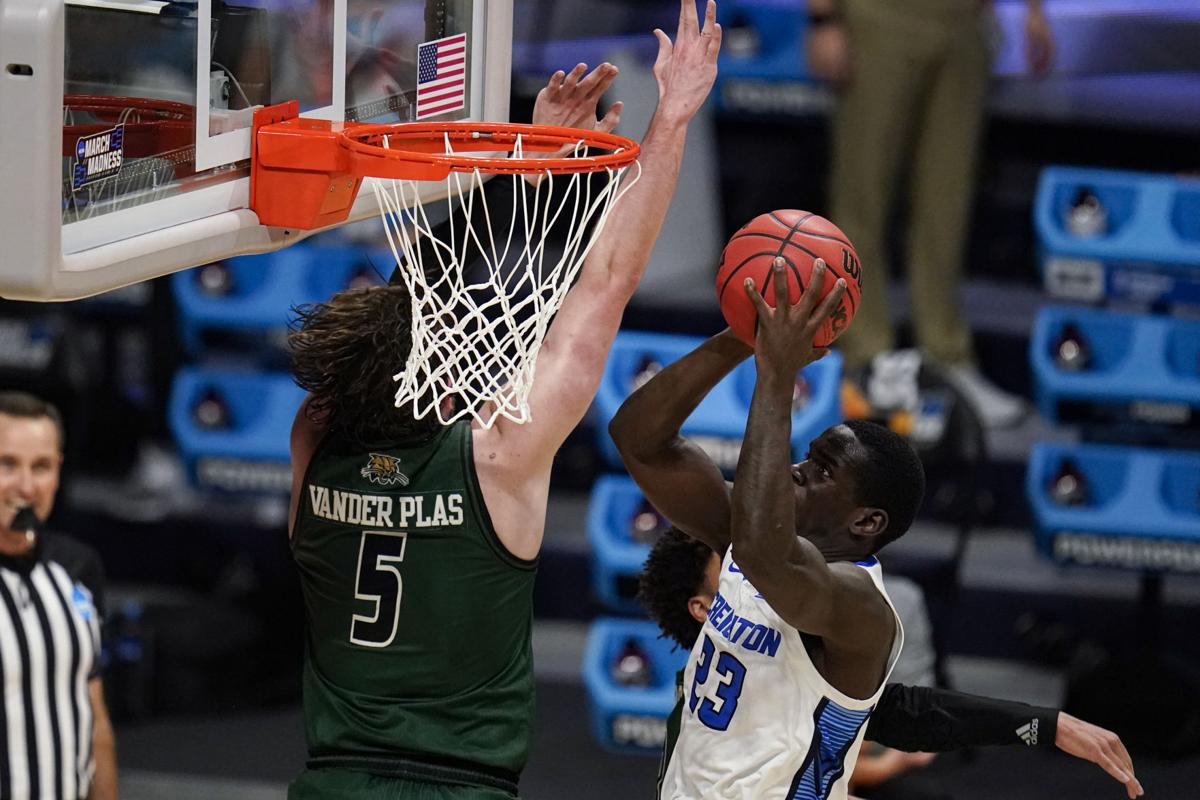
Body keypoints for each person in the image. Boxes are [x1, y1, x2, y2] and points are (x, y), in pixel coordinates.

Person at [283, 2, 722, 798]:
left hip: (333, 781)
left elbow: (393, 329)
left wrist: (530, 166)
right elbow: (607, 284)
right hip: (461, 785)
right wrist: (673, 116)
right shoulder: (497, 456)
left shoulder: (313, 440)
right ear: (437, 368)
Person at [613, 259, 917, 798]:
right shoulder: (746, 539)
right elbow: (639, 439)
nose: (797, 469)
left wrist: (777, 371)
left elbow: (764, 553)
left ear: (866, 521)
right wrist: (741, 337)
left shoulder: (860, 608)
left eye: (822, 470)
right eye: (807, 456)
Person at [638, 528, 1144, 800]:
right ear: (705, 608)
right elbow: (898, 713)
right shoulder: (763, 672)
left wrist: (1042, 724)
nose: (749, 572)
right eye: (731, 570)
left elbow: (890, 711)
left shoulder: (713, 679)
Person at [806, 0, 1054, 427]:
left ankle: (947, 356)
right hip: (881, 18)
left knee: (948, 197)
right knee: (863, 193)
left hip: (964, 24)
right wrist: (823, 19)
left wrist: (1034, 11)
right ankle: (867, 361)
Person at [0, 391, 118, 800]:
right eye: (7, 464)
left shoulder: (77, 567)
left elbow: (94, 716)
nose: (26, 486)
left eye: (42, 466)